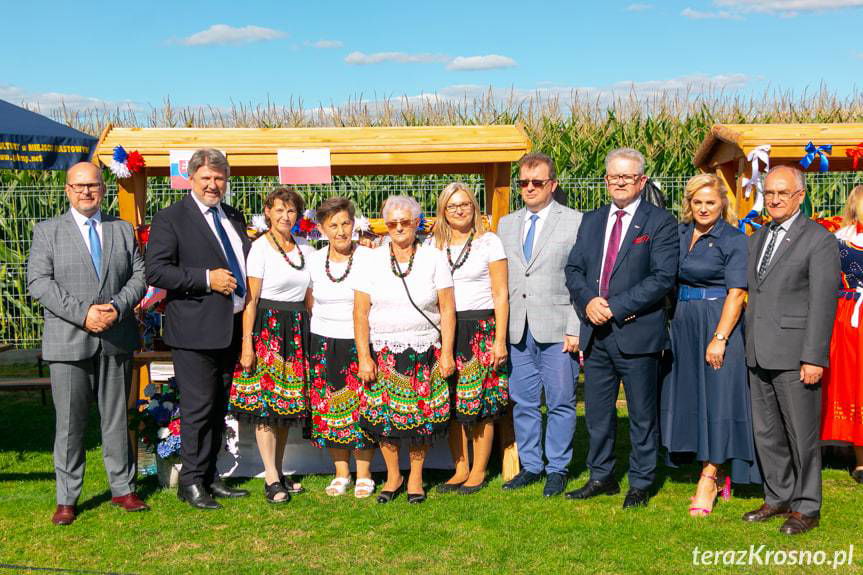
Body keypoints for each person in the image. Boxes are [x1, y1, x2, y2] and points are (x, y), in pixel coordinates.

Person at [28, 162, 149, 525]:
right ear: (67, 189)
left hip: (115, 337)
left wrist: (115, 307)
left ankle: (123, 489)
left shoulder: (122, 229)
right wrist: (84, 314)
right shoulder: (47, 231)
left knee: (115, 418)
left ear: (103, 189)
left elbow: (140, 276)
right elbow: (40, 282)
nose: (86, 192)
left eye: (93, 185)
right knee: (69, 423)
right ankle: (67, 498)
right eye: (79, 186)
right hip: (69, 340)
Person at [564, 148, 678, 509]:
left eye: (627, 177)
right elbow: (574, 270)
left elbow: (662, 278)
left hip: (637, 332)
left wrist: (615, 307)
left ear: (641, 181)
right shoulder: (592, 219)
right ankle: (602, 476)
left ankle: (641, 482)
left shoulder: (659, 221)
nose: (620, 183)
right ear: (606, 179)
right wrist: (589, 302)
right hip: (596, 334)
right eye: (614, 177)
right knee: (598, 413)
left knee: (642, 414)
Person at [146, 148, 252, 510]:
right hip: (194, 329)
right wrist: (206, 279)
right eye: (206, 178)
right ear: (190, 179)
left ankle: (208, 475)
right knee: (197, 407)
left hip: (230, 328)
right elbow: (157, 271)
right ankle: (190, 482)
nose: (213, 184)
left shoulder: (232, 216)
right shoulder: (171, 218)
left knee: (219, 406)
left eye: (219, 178)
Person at [742, 165, 839, 535]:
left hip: (797, 355)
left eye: (783, 193)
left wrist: (814, 356)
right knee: (768, 432)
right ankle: (778, 496)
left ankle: (807, 506)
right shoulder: (758, 237)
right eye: (770, 193)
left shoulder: (818, 240)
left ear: (800, 196)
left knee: (802, 435)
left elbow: (823, 303)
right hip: (758, 351)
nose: (775, 199)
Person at [659, 174, 760, 517]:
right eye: (698, 202)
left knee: (718, 397)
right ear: (689, 203)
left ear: (722, 205)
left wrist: (720, 338)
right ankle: (715, 470)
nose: (703, 208)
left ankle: (709, 477)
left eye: (710, 203)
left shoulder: (733, 238)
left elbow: (737, 292)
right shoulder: (680, 233)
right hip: (685, 320)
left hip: (717, 319)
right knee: (696, 396)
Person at [353, 195, 456, 504]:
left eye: (405, 222)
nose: (399, 228)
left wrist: (448, 353)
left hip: (424, 350)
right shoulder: (370, 259)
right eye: (392, 222)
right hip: (382, 350)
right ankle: (393, 474)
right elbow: (360, 312)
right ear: (386, 225)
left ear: (416, 223)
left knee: (421, 419)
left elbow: (447, 309)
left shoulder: (434, 257)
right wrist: (363, 357)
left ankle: (415, 476)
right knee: (385, 420)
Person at [496, 152, 582, 497]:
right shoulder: (506, 224)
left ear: (552, 184)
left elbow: (581, 279)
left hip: (559, 326)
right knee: (524, 401)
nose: (529, 188)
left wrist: (576, 326)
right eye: (523, 183)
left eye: (537, 182)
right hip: (519, 327)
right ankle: (531, 465)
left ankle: (558, 467)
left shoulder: (575, 221)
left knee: (561, 401)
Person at [228, 187, 315, 503]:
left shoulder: (305, 248)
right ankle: (271, 477)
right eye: (279, 210)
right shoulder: (260, 249)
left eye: (291, 211)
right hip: (268, 330)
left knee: (285, 405)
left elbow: (310, 297)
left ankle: (277, 472)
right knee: (266, 406)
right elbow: (250, 300)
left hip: (296, 329)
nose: (285, 216)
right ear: (267, 212)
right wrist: (247, 343)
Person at [430, 183, 509, 495]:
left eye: (465, 204)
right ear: (443, 212)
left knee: (481, 404)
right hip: (445, 329)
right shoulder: (433, 246)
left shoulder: (489, 242)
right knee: (452, 403)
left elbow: (501, 293)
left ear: (474, 207)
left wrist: (499, 339)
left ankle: (478, 470)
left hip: (480, 328)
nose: (459, 210)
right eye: (452, 206)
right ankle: (459, 467)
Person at [307, 197, 376, 498]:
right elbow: (309, 300)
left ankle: (364, 473)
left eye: (345, 223)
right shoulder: (313, 259)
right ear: (322, 228)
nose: (340, 230)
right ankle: (341, 472)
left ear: (354, 224)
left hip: (358, 341)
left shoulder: (369, 257)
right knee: (330, 407)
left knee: (362, 407)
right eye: (333, 225)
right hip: (323, 340)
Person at [821, 185, 863, 484]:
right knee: (848, 381)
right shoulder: (839, 239)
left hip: (847, 313)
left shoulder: (838, 239)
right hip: (849, 317)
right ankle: (850, 451)